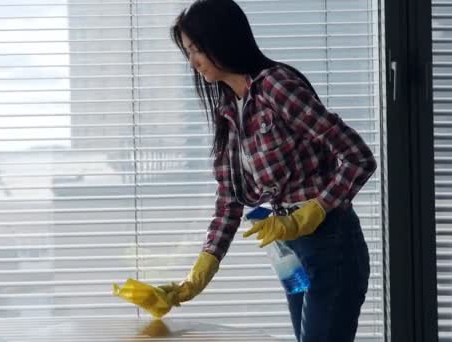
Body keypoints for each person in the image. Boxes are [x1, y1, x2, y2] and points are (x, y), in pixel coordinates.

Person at [157, 0, 377, 341]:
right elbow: (229, 200)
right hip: (290, 252)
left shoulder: (276, 86)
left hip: (331, 245)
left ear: (223, 38)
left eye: (197, 49)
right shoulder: (228, 109)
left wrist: (315, 210)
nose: (192, 62)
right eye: (187, 52)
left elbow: (358, 157)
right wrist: (198, 274)